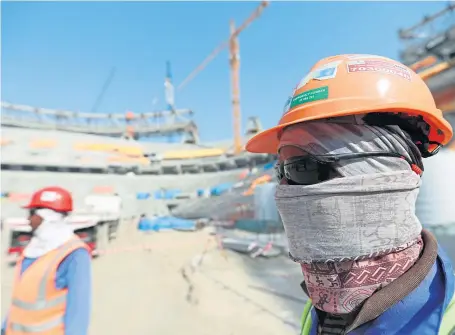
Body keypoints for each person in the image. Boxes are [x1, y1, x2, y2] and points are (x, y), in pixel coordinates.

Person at [245, 54, 455, 334]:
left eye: (301, 167)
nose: (282, 191)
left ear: (390, 173)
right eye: (280, 173)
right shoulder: (324, 305)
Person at [2, 186, 92, 335]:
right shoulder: (31, 250)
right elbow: (20, 301)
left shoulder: (74, 254)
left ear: (47, 217)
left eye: (32, 214)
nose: (28, 219)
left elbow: (78, 310)